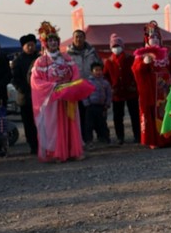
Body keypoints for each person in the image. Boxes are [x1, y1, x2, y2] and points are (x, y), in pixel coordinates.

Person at [31, 22, 93, 163]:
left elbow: (75, 73)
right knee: (54, 127)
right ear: (46, 43)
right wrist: (53, 86)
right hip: (52, 99)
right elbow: (36, 82)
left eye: (55, 41)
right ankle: (56, 153)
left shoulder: (66, 58)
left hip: (67, 96)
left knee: (71, 123)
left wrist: (71, 85)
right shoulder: (40, 61)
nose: (53, 43)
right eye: (50, 41)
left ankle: (73, 151)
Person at [132, 22, 171, 149]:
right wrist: (144, 63)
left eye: (158, 38)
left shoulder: (165, 53)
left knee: (167, 113)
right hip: (151, 90)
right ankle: (155, 141)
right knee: (153, 114)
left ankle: (169, 139)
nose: (155, 40)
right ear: (147, 39)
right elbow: (136, 71)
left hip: (165, 89)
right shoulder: (141, 55)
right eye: (152, 38)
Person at [103, 33, 140, 145]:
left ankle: (137, 135)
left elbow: (136, 72)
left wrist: (134, 85)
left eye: (117, 46)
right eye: (114, 46)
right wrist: (110, 87)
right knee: (118, 116)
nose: (116, 48)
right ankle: (120, 137)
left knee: (134, 115)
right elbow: (105, 76)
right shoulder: (108, 61)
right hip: (117, 92)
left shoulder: (131, 58)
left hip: (131, 91)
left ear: (122, 46)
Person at [66, 29, 101, 145]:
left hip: (91, 87)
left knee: (95, 113)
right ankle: (82, 139)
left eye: (81, 36)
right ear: (73, 39)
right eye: (76, 37)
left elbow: (100, 66)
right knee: (80, 115)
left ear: (85, 38)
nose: (78, 39)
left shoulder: (92, 52)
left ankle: (100, 137)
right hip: (76, 88)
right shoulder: (68, 54)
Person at [10, 34, 39, 155]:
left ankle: (43, 144)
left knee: (40, 122)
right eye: (28, 45)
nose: (31, 47)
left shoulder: (39, 58)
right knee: (28, 123)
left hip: (39, 96)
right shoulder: (18, 60)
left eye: (32, 45)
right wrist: (25, 89)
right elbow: (15, 79)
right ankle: (33, 145)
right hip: (25, 97)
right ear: (23, 47)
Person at [83, 62, 112, 147]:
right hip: (91, 106)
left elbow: (109, 94)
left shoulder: (105, 83)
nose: (98, 72)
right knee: (89, 124)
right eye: (96, 70)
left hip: (101, 106)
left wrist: (107, 104)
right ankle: (89, 140)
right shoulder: (88, 82)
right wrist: (87, 104)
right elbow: (84, 94)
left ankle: (105, 138)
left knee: (102, 123)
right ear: (92, 72)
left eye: (100, 70)